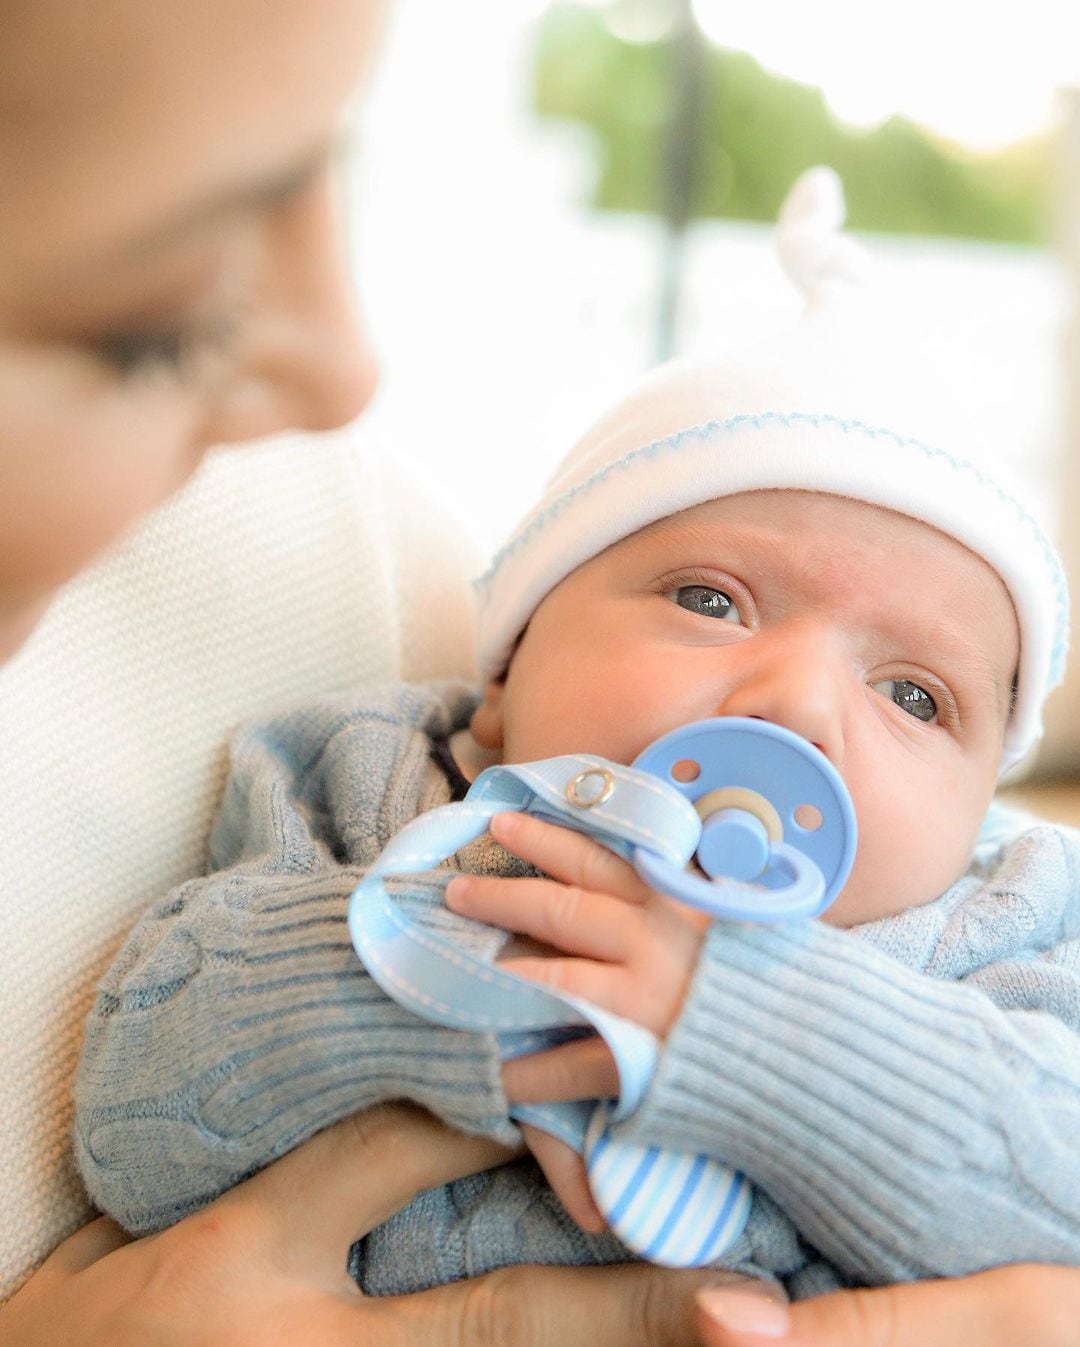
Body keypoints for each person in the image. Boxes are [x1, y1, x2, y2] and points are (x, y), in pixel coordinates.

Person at [0, 0, 1075, 1334]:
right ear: (504, 670)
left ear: (982, 809)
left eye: (917, 696)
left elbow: (1063, 1202)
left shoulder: (1009, 924)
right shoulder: (371, 780)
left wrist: (759, 1029)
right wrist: (477, 958)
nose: (796, 704)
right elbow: (138, 1112)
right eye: (710, 597)